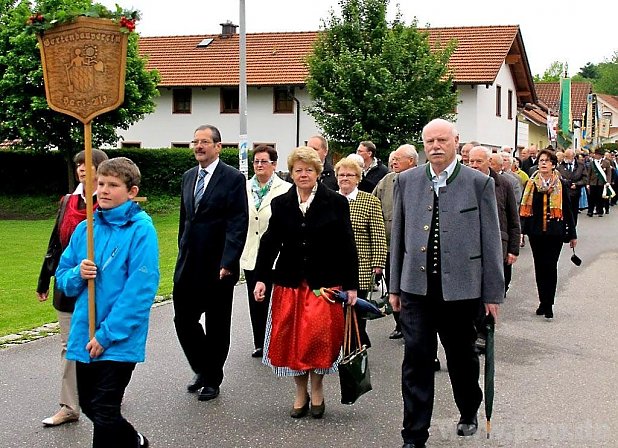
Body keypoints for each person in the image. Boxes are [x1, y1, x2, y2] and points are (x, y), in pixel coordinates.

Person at [389, 119, 504, 447]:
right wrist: (395, 287)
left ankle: (468, 408)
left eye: (442, 140)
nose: (435, 146)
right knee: (416, 360)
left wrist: (492, 294)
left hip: (462, 291)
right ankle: (414, 434)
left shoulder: (478, 183)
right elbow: (398, 238)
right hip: (416, 290)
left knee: (461, 359)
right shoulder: (406, 181)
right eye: (429, 141)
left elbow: (491, 242)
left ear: (456, 141)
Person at [55, 157, 159, 447]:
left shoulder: (141, 230)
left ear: (132, 192)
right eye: (100, 183)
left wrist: (107, 334)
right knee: (90, 405)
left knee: (104, 408)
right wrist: (78, 273)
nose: (103, 190)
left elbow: (140, 289)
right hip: (84, 331)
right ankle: (135, 442)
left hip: (118, 337)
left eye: (113, 185)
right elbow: (62, 277)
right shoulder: (86, 229)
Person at [253, 147, 358, 419]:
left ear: (318, 173)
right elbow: (270, 242)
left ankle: (318, 388)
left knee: (318, 339)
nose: (303, 174)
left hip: (323, 284)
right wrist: (262, 277)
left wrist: (351, 286)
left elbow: (347, 245)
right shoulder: (281, 202)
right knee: (291, 340)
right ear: (292, 173)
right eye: (298, 170)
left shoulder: (335, 202)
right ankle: (300, 393)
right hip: (289, 282)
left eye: (308, 170)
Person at [173, 125, 249, 402]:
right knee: (183, 319)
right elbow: (186, 219)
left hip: (218, 265)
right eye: (195, 142)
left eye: (204, 142)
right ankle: (203, 366)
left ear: (218, 146)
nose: (198, 146)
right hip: (189, 262)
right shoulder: (188, 177)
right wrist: (181, 250)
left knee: (217, 324)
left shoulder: (232, 178)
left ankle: (212, 378)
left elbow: (238, 222)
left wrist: (229, 260)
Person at [36, 148, 108, 427]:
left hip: (99, 284)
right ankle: (69, 405)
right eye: (79, 164)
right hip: (67, 284)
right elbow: (56, 242)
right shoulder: (68, 201)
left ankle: (107, 390)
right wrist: (45, 279)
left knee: (101, 341)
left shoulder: (106, 201)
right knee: (69, 345)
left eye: (88, 164)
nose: (82, 169)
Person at [240, 145, 292, 359]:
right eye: (256, 162)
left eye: (264, 161)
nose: (259, 165)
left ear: (274, 164)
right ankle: (260, 342)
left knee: (278, 300)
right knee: (256, 300)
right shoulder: (243, 187)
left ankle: (279, 340)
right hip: (251, 252)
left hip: (277, 255)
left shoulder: (285, 188)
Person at [335, 157, 387, 348]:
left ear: (358, 178)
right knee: (335, 310)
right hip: (333, 265)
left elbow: (378, 235)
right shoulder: (330, 200)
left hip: (361, 266)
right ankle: (344, 344)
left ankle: (356, 345)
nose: (345, 178)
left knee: (356, 308)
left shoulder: (370, 202)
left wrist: (378, 263)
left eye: (349, 175)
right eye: (341, 175)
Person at [520, 149, 577, 320]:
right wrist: (522, 232)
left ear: (553, 164)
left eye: (546, 160)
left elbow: (568, 209)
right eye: (541, 160)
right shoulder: (531, 184)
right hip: (536, 232)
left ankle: (549, 304)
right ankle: (542, 301)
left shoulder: (561, 184)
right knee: (539, 267)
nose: (543, 163)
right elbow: (524, 210)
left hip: (555, 233)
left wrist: (572, 234)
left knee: (550, 267)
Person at [372, 144, 418, 340]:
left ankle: (413, 326)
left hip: (414, 248)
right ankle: (399, 324)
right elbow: (374, 202)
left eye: (399, 158)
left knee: (411, 288)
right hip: (390, 245)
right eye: (393, 159)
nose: (394, 162)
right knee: (393, 286)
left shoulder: (421, 180)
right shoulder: (387, 180)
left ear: (412, 161)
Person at [556, 148, 587, 225]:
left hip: (575, 193)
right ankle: (564, 229)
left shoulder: (580, 165)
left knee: (573, 212)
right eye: (565, 156)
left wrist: (577, 184)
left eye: (567, 156)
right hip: (563, 193)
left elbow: (585, 179)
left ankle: (572, 229)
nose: (565, 158)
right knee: (564, 212)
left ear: (573, 156)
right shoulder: (560, 166)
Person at [586, 148, 612, 217]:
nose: (596, 156)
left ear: (601, 155)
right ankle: (590, 211)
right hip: (593, 182)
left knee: (600, 198)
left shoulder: (606, 162)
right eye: (596, 154)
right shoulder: (592, 163)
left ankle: (600, 211)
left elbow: (609, 173)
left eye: (597, 154)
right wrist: (587, 183)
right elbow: (589, 174)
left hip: (602, 183)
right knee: (591, 198)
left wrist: (608, 182)